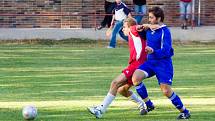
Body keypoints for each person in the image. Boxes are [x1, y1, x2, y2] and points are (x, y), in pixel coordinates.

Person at [87, 17, 157, 119]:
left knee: (115, 83)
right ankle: (143, 105)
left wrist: (147, 26)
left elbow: (137, 27)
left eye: (124, 27)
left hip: (136, 65)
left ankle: (100, 110)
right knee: (122, 90)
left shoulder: (133, 30)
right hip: (137, 65)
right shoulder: (132, 35)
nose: (123, 29)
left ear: (130, 27)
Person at [132, 6, 191, 119]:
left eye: (151, 18)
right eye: (148, 17)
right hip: (150, 63)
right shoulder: (149, 29)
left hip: (163, 64)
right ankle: (149, 104)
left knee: (166, 91)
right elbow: (145, 36)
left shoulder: (165, 31)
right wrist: (140, 31)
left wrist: (153, 50)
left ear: (158, 19)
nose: (149, 20)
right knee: (136, 78)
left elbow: (166, 50)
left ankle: (185, 112)